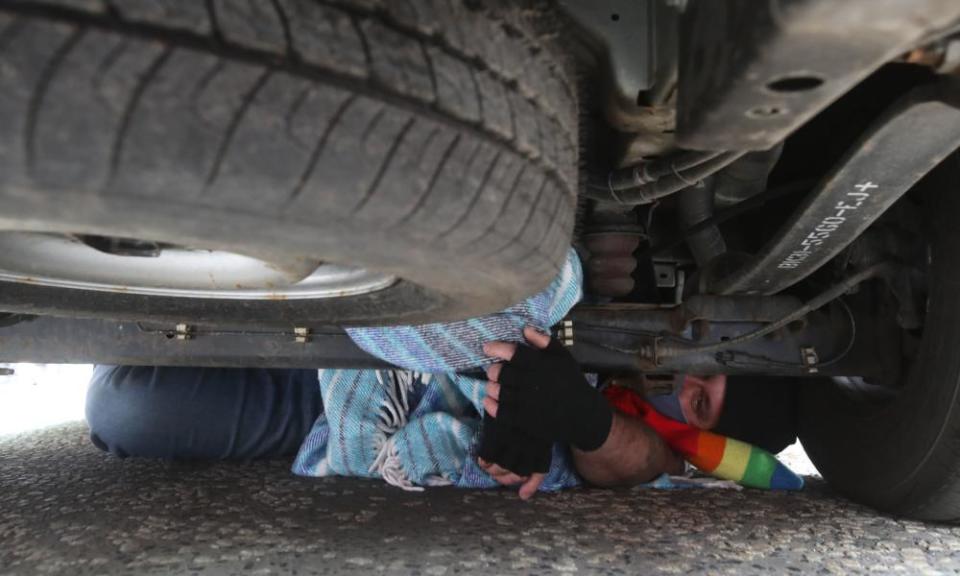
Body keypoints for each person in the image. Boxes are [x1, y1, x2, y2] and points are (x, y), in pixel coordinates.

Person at [85, 328, 798, 499]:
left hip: (334, 403)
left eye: (698, 401)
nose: (684, 380)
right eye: (707, 364)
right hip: (407, 324)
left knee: (126, 408)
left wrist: (582, 420)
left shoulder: (671, 456)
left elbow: (644, 463)